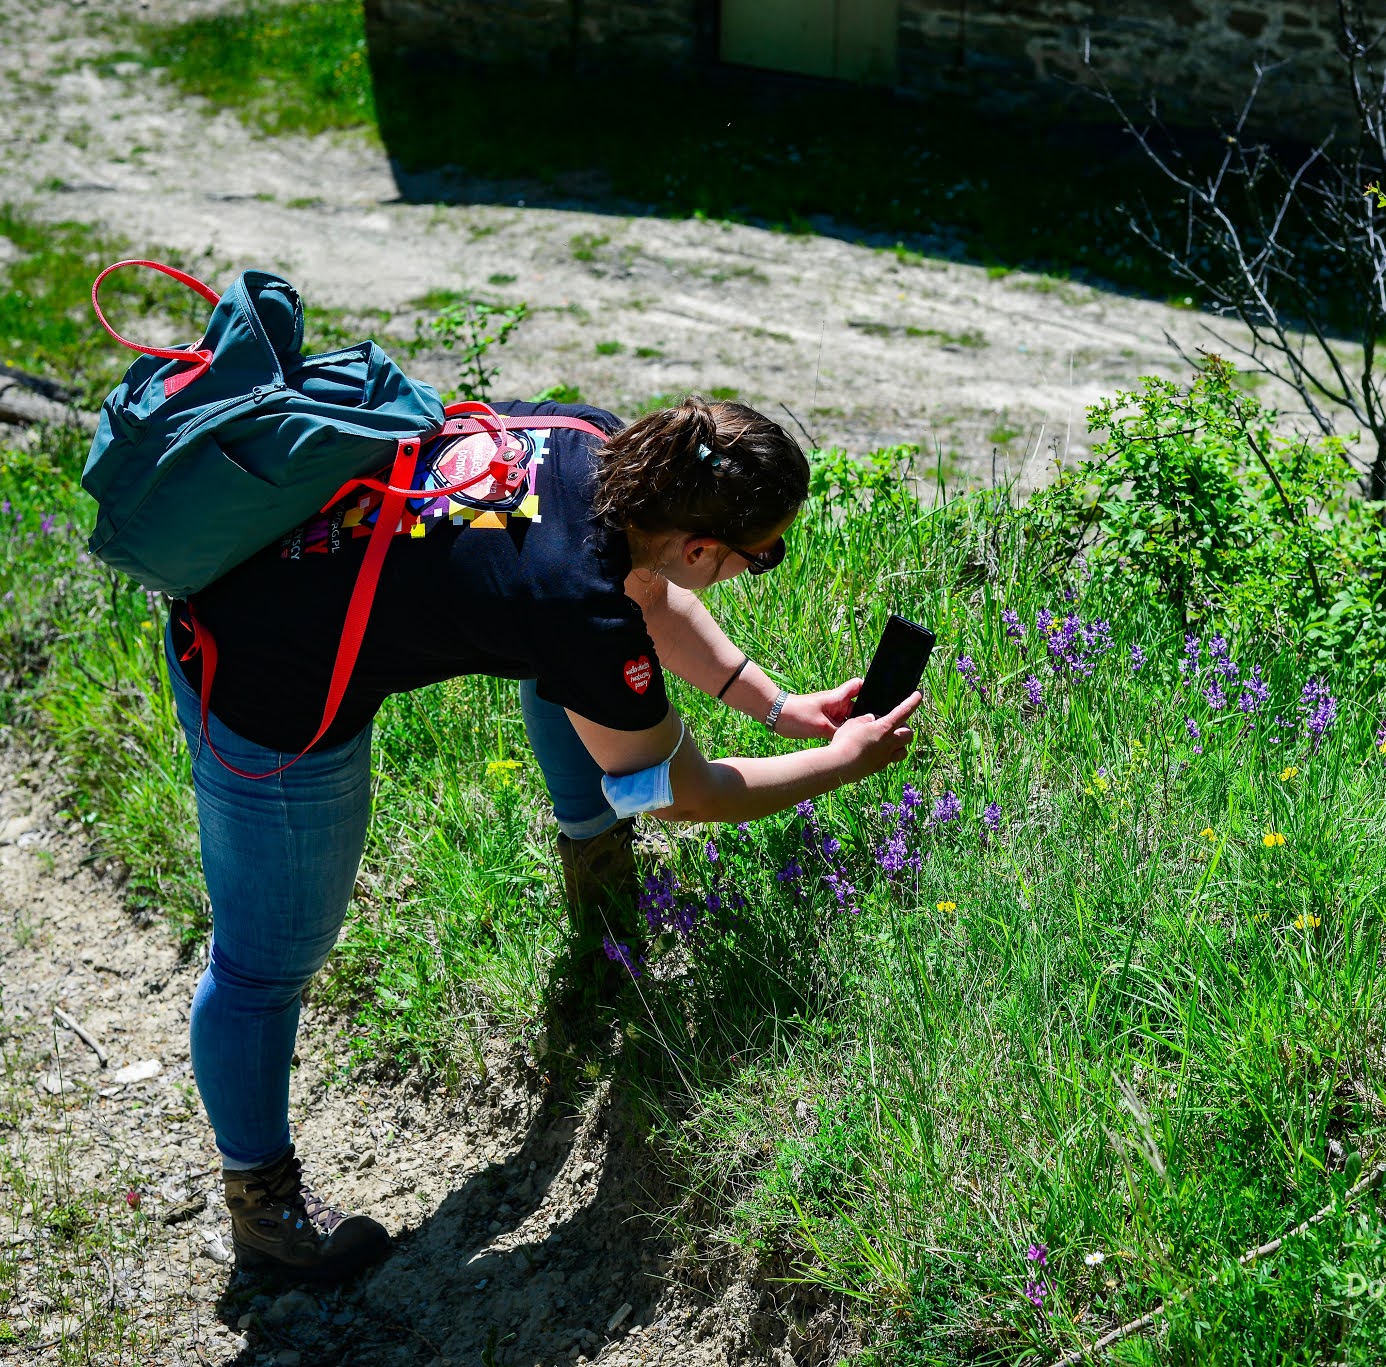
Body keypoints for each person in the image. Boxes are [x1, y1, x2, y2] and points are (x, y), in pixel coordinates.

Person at [163, 394, 921, 1280]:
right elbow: (684, 791)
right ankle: (267, 1219)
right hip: (262, 683)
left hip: (280, 594)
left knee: (574, 673)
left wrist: (781, 707)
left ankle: (605, 935)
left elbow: (645, 592)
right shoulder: (579, 604)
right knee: (267, 961)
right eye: (762, 558)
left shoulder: (597, 448)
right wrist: (842, 763)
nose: (761, 569)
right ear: (700, 546)